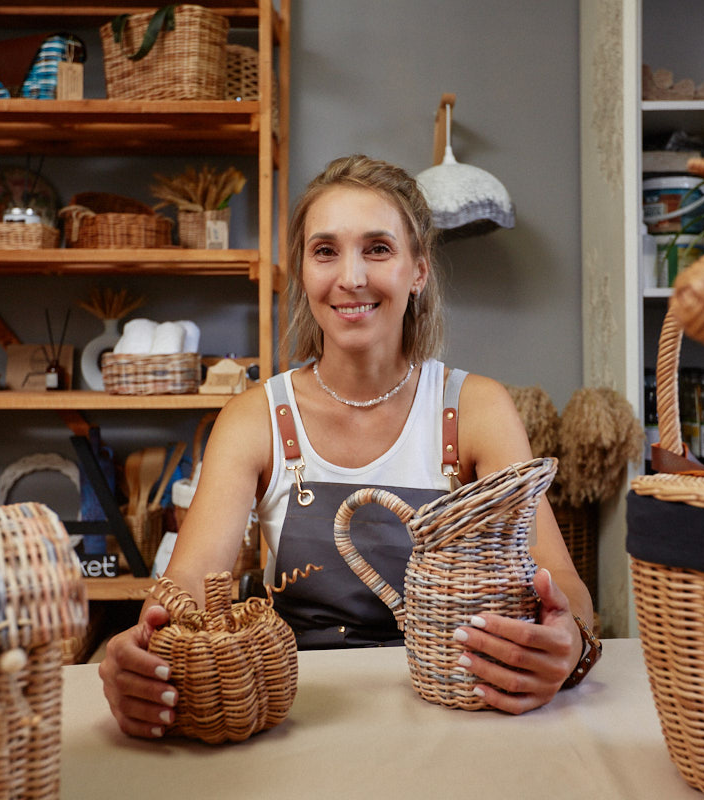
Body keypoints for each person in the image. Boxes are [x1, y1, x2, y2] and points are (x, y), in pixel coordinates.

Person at [99, 155, 596, 736]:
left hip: (456, 704)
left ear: (418, 271)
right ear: (303, 272)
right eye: (326, 251)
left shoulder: (477, 409)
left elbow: (564, 583)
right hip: (301, 710)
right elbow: (187, 585)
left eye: (378, 249)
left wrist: (569, 642)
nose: (351, 277)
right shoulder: (255, 417)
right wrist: (146, 646)